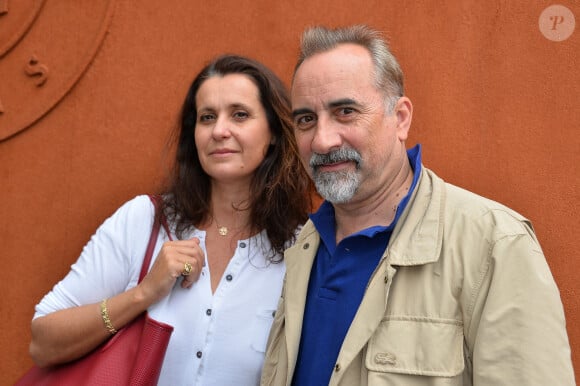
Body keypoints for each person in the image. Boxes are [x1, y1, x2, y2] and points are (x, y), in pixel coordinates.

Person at [260, 25, 576, 386]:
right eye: (306, 120)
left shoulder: (494, 244)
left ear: (401, 118)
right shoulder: (307, 242)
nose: (322, 139)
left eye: (345, 111)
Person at [29, 54, 312, 385]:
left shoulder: (300, 248)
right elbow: (43, 342)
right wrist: (143, 294)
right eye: (207, 117)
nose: (220, 130)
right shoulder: (144, 222)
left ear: (274, 132)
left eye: (239, 115)